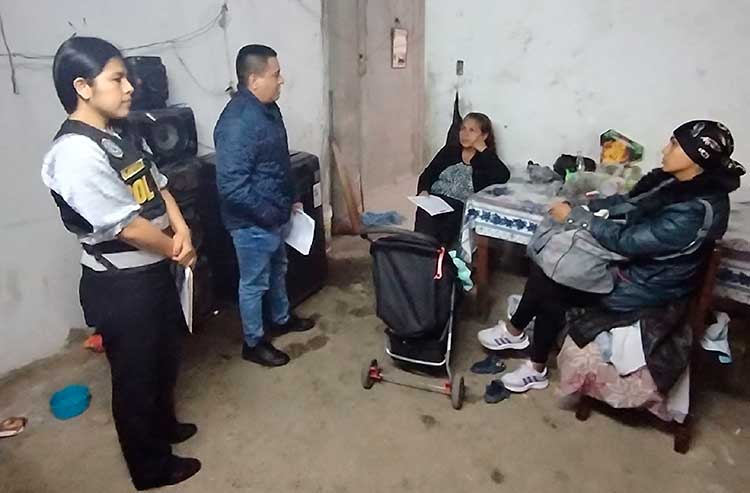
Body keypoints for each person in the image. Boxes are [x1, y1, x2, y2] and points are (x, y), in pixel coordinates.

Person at [478, 120, 744, 393]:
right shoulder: (677, 183)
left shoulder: (694, 211)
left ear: (697, 157)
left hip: (647, 286)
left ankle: (534, 365)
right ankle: (516, 333)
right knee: (552, 258)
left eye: (675, 145)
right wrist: (586, 207)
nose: (665, 150)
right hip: (640, 265)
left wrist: (577, 217)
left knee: (558, 277)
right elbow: (629, 204)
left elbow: (628, 241)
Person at [41, 37, 201, 489]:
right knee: (135, 377)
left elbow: (158, 184)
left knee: (164, 357)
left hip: (154, 269)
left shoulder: (119, 134)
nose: (130, 87)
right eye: (117, 79)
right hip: (122, 285)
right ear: (82, 87)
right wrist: (175, 248)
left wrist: (182, 229)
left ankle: (164, 426)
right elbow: (126, 227)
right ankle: (151, 468)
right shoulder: (73, 153)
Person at [214, 44, 315, 367]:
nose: (281, 80)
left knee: (278, 269)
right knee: (254, 282)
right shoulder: (237, 123)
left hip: (275, 213)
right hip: (252, 223)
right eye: (275, 74)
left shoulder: (268, 109)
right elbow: (232, 186)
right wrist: (269, 213)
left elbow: (278, 161)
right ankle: (254, 342)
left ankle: (281, 319)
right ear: (254, 80)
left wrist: (292, 197)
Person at [415, 112, 510, 245]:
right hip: (435, 202)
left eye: (472, 130)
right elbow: (427, 175)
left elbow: (503, 176)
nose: (465, 134)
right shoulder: (450, 151)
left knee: (441, 227)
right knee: (425, 216)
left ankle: (435, 252)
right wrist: (424, 191)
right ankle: (420, 250)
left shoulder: (485, 160)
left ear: (484, 136)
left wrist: (483, 149)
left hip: (459, 208)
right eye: (463, 129)